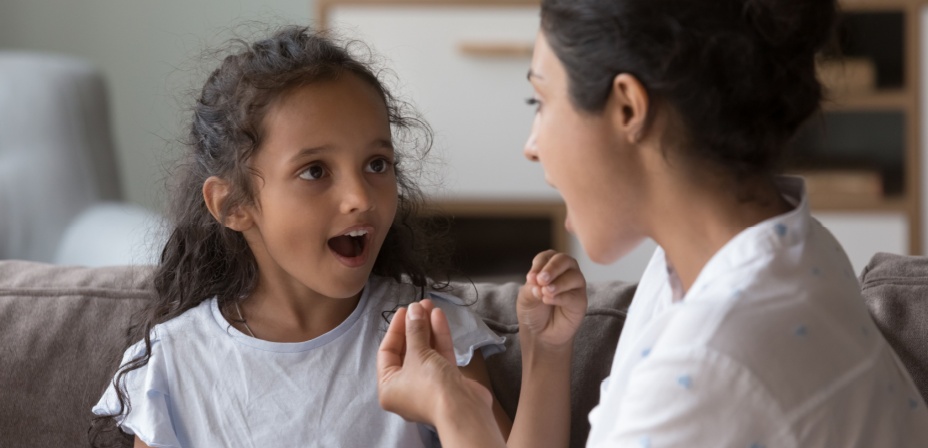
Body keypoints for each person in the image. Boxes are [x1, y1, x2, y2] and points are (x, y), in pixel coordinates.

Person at [377, 0, 928, 446]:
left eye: (540, 99)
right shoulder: (780, 250)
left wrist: (458, 413)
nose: (531, 145)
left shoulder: (708, 369)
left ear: (627, 109)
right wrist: (545, 356)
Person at [89, 26, 512, 448]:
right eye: (315, 171)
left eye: (377, 164)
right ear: (232, 203)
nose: (360, 197)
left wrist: (547, 356)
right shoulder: (172, 366)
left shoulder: (431, 336)